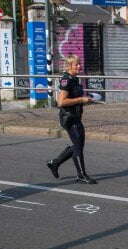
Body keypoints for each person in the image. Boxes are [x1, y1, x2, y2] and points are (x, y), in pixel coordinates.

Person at [46, 55, 97, 184]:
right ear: (69, 66)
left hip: (75, 116)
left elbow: (74, 97)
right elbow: (61, 102)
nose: (79, 66)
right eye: (76, 65)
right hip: (69, 118)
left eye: (79, 64)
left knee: (78, 145)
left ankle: (55, 163)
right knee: (78, 146)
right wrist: (81, 99)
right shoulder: (66, 80)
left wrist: (86, 99)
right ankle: (81, 175)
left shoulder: (74, 79)